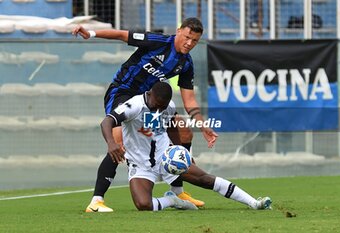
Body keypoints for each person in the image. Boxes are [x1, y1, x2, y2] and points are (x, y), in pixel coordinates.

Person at [72, 17, 218, 212]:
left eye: (195, 41)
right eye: (187, 37)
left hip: (149, 102)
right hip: (122, 93)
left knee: (184, 133)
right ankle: (96, 201)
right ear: (179, 31)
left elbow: (189, 100)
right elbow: (122, 35)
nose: (189, 43)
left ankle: (176, 191)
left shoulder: (186, 63)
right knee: (119, 140)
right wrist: (91, 33)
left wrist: (203, 125)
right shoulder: (158, 42)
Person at [102, 82, 272, 211]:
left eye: (163, 106)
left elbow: (172, 126)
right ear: (150, 94)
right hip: (140, 164)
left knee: (205, 179)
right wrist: (111, 143)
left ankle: (255, 203)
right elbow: (107, 121)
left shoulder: (167, 107)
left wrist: (180, 150)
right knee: (143, 205)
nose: (159, 110)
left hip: (166, 158)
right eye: (156, 105)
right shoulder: (134, 105)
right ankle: (173, 200)